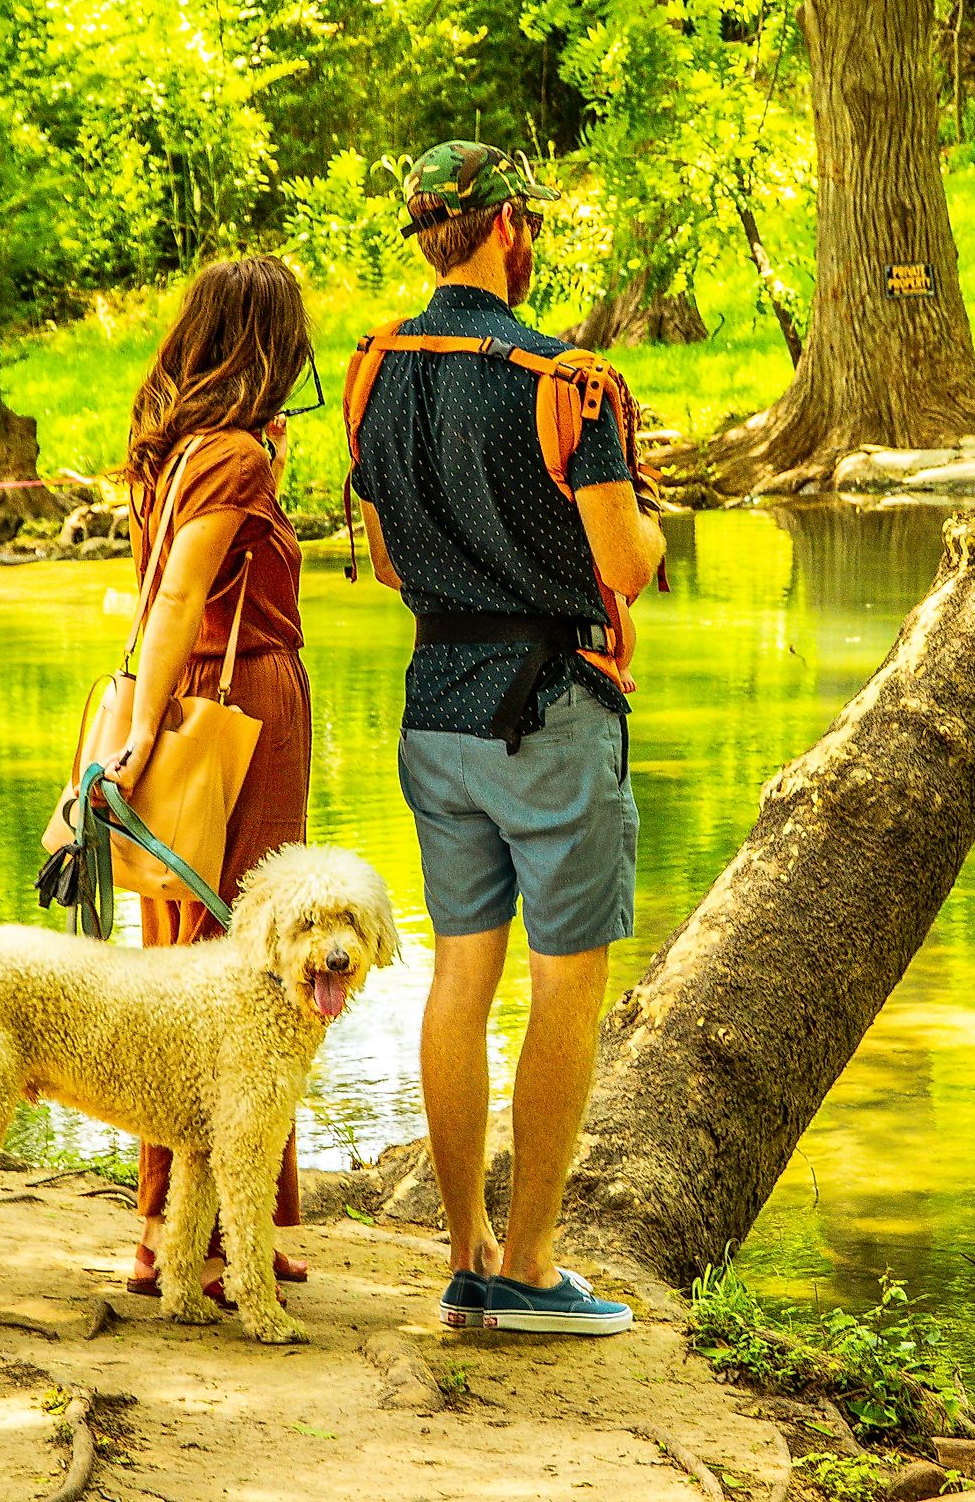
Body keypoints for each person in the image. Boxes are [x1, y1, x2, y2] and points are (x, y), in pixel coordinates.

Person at [347, 141, 664, 1337]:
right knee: (563, 984)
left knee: (458, 977)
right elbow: (625, 561)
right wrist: (650, 553)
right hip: (552, 714)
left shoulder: (376, 369)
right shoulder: (569, 382)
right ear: (509, 230)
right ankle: (528, 1264)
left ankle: (462, 1248)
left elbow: (382, 555)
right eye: (527, 219)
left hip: (436, 705)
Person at [108, 256, 318, 1301]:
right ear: (271, 345)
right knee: (251, 972)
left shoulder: (176, 448)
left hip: (189, 700)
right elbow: (185, 590)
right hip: (236, 713)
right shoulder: (230, 456)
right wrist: (144, 733)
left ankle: (208, 1219)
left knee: (183, 963)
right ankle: (194, 1231)